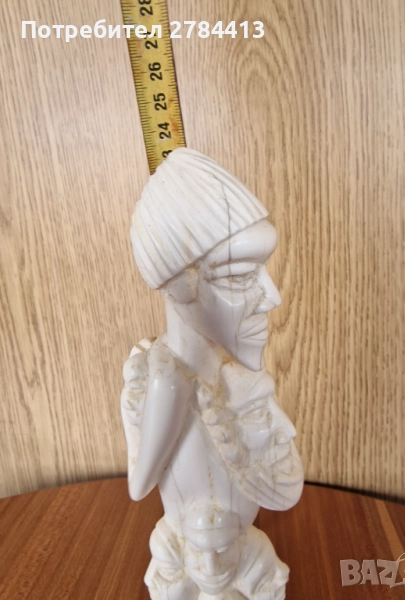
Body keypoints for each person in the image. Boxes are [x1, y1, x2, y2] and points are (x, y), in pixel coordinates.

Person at [121, 148, 303, 598]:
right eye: (241, 275)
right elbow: (139, 485)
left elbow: (285, 485)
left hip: (235, 552)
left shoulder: (236, 375)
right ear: (180, 286)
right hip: (197, 553)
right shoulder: (169, 379)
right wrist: (142, 404)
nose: (272, 296)